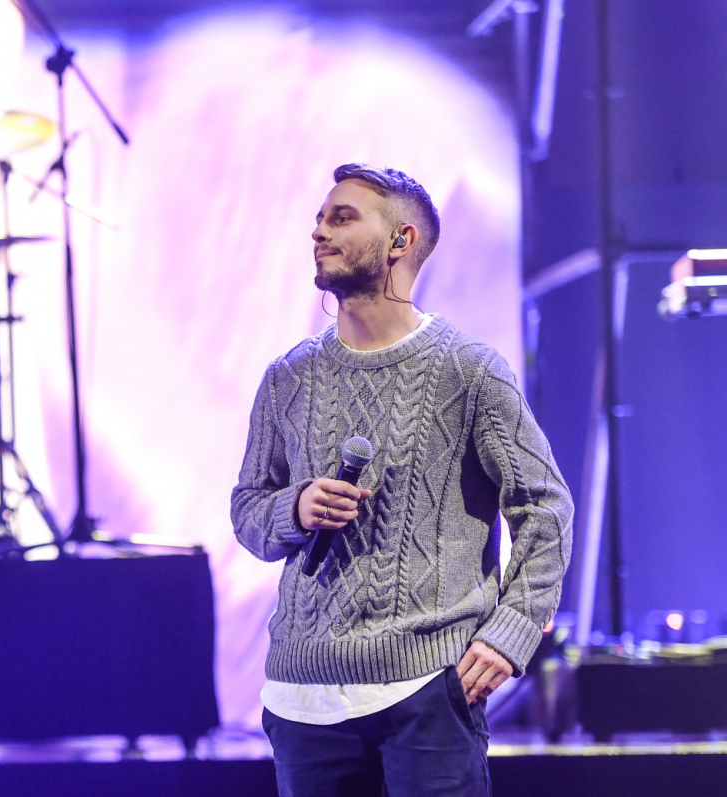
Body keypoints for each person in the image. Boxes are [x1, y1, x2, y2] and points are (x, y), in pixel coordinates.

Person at [230, 164, 574, 796]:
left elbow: (544, 507)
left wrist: (512, 632)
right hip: (304, 699)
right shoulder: (288, 377)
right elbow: (248, 510)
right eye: (319, 219)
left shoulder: (468, 370)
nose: (319, 232)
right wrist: (295, 508)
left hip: (429, 690)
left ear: (400, 240)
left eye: (342, 218)